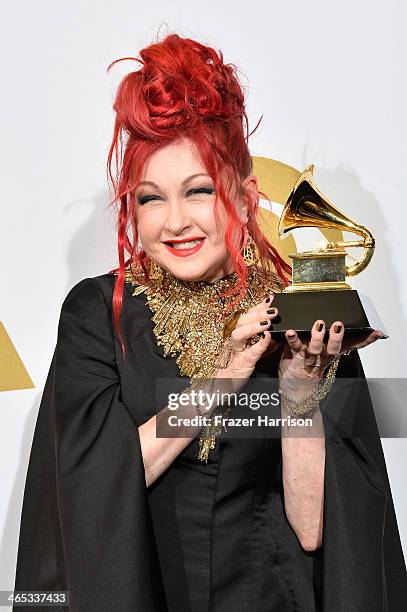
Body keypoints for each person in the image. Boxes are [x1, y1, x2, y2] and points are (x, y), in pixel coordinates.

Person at [13, 32, 407, 612]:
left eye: (197, 191)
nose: (175, 222)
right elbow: (89, 493)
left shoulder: (298, 319)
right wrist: (222, 377)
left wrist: (299, 398)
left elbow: (318, 532)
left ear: (245, 198)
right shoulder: (99, 313)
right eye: (150, 199)